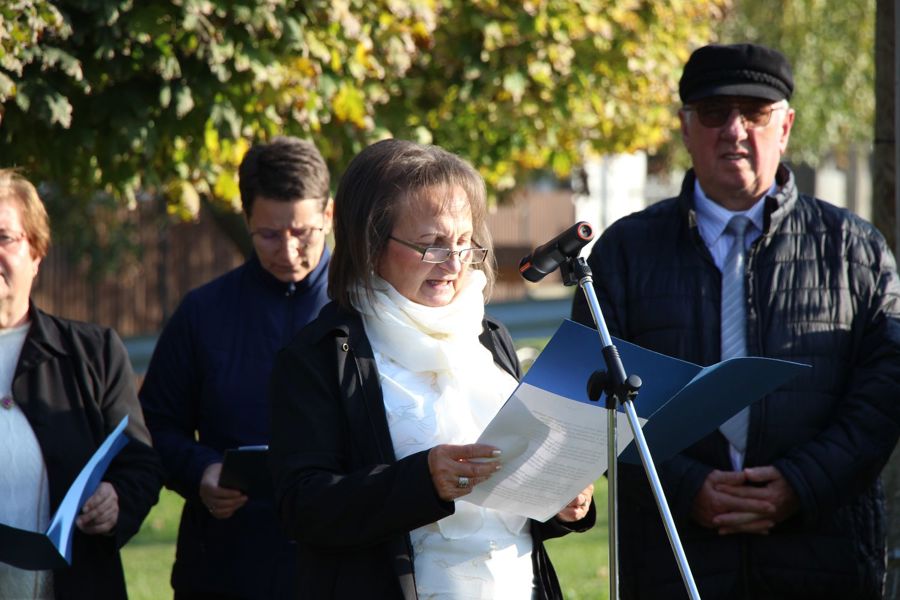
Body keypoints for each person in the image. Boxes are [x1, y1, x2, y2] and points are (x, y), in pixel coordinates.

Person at [572, 43, 900, 599]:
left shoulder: (855, 250)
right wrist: (687, 487)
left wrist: (800, 483)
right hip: (673, 559)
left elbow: (885, 393)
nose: (734, 130)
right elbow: (589, 398)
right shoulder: (623, 254)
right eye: (714, 113)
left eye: (754, 112)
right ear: (685, 127)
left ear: (785, 126)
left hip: (825, 557)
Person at [268, 139, 597, 599]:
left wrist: (561, 502)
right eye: (432, 246)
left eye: (465, 243)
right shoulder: (320, 356)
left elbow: (510, 510)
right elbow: (302, 507)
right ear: (370, 244)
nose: (454, 264)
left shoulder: (488, 336)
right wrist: (422, 482)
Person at [139, 137, 333, 599]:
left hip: (339, 567)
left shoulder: (370, 308)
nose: (288, 252)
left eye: (303, 232)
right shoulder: (203, 313)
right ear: (246, 220)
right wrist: (201, 470)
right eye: (269, 235)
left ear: (328, 215)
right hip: (226, 566)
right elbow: (151, 425)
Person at [0, 169, 163, 599]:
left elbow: (140, 464)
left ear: (36, 251)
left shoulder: (93, 352)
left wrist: (116, 498)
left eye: (4, 238)